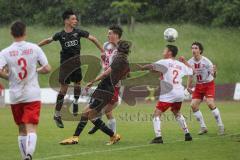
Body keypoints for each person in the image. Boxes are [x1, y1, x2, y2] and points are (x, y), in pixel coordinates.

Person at [38, 9, 104, 128]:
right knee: (63, 90)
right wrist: (35, 47)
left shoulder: (78, 32)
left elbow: (93, 38)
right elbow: (48, 40)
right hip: (65, 66)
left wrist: (102, 51)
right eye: (73, 19)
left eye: (76, 19)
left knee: (78, 85)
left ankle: (75, 102)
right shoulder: (60, 35)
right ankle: (57, 115)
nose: (75, 21)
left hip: (77, 65)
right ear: (66, 21)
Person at [59, 40, 131, 145]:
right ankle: (111, 136)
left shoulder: (117, 60)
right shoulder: (126, 62)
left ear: (119, 49)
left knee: (87, 113)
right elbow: (126, 76)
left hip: (104, 89)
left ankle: (76, 138)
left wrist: (92, 82)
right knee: (90, 115)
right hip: (108, 89)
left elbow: (106, 73)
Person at [0, 21, 51, 160]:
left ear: (11, 33)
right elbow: (47, 68)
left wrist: (9, 75)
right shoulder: (34, 48)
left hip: (15, 95)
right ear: (25, 32)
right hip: (32, 93)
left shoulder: (5, 52)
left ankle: (24, 158)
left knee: (21, 129)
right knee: (31, 128)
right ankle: (29, 154)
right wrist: (36, 70)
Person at [138, 45, 193, 144]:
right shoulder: (180, 64)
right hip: (180, 92)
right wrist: (185, 62)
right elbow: (191, 71)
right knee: (176, 112)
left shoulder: (164, 61)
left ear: (169, 52)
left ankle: (158, 137)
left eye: (165, 50)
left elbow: (151, 66)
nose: (163, 52)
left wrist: (142, 68)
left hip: (169, 93)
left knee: (156, 114)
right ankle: (187, 134)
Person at [88, 24, 123, 135]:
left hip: (113, 83)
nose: (108, 35)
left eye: (110, 33)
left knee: (106, 110)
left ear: (116, 35)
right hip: (105, 80)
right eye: (108, 33)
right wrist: (103, 58)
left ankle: (110, 132)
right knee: (106, 111)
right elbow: (105, 61)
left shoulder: (120, 50)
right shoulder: (106, 45)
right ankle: (106, 129)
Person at [187, 42, 224, 135]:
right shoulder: (190, 62)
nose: (193, 50)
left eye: (195, 48)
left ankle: (221, 126)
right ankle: (203, 127)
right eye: (192, 48)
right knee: (193, 105)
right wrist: (188, 86)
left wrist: (215, 72)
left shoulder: (206, 61)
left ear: (200, 50)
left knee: (210, 103)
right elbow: (190, 76)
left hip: (208, 85)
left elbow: (213, 75)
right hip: (198, 86)